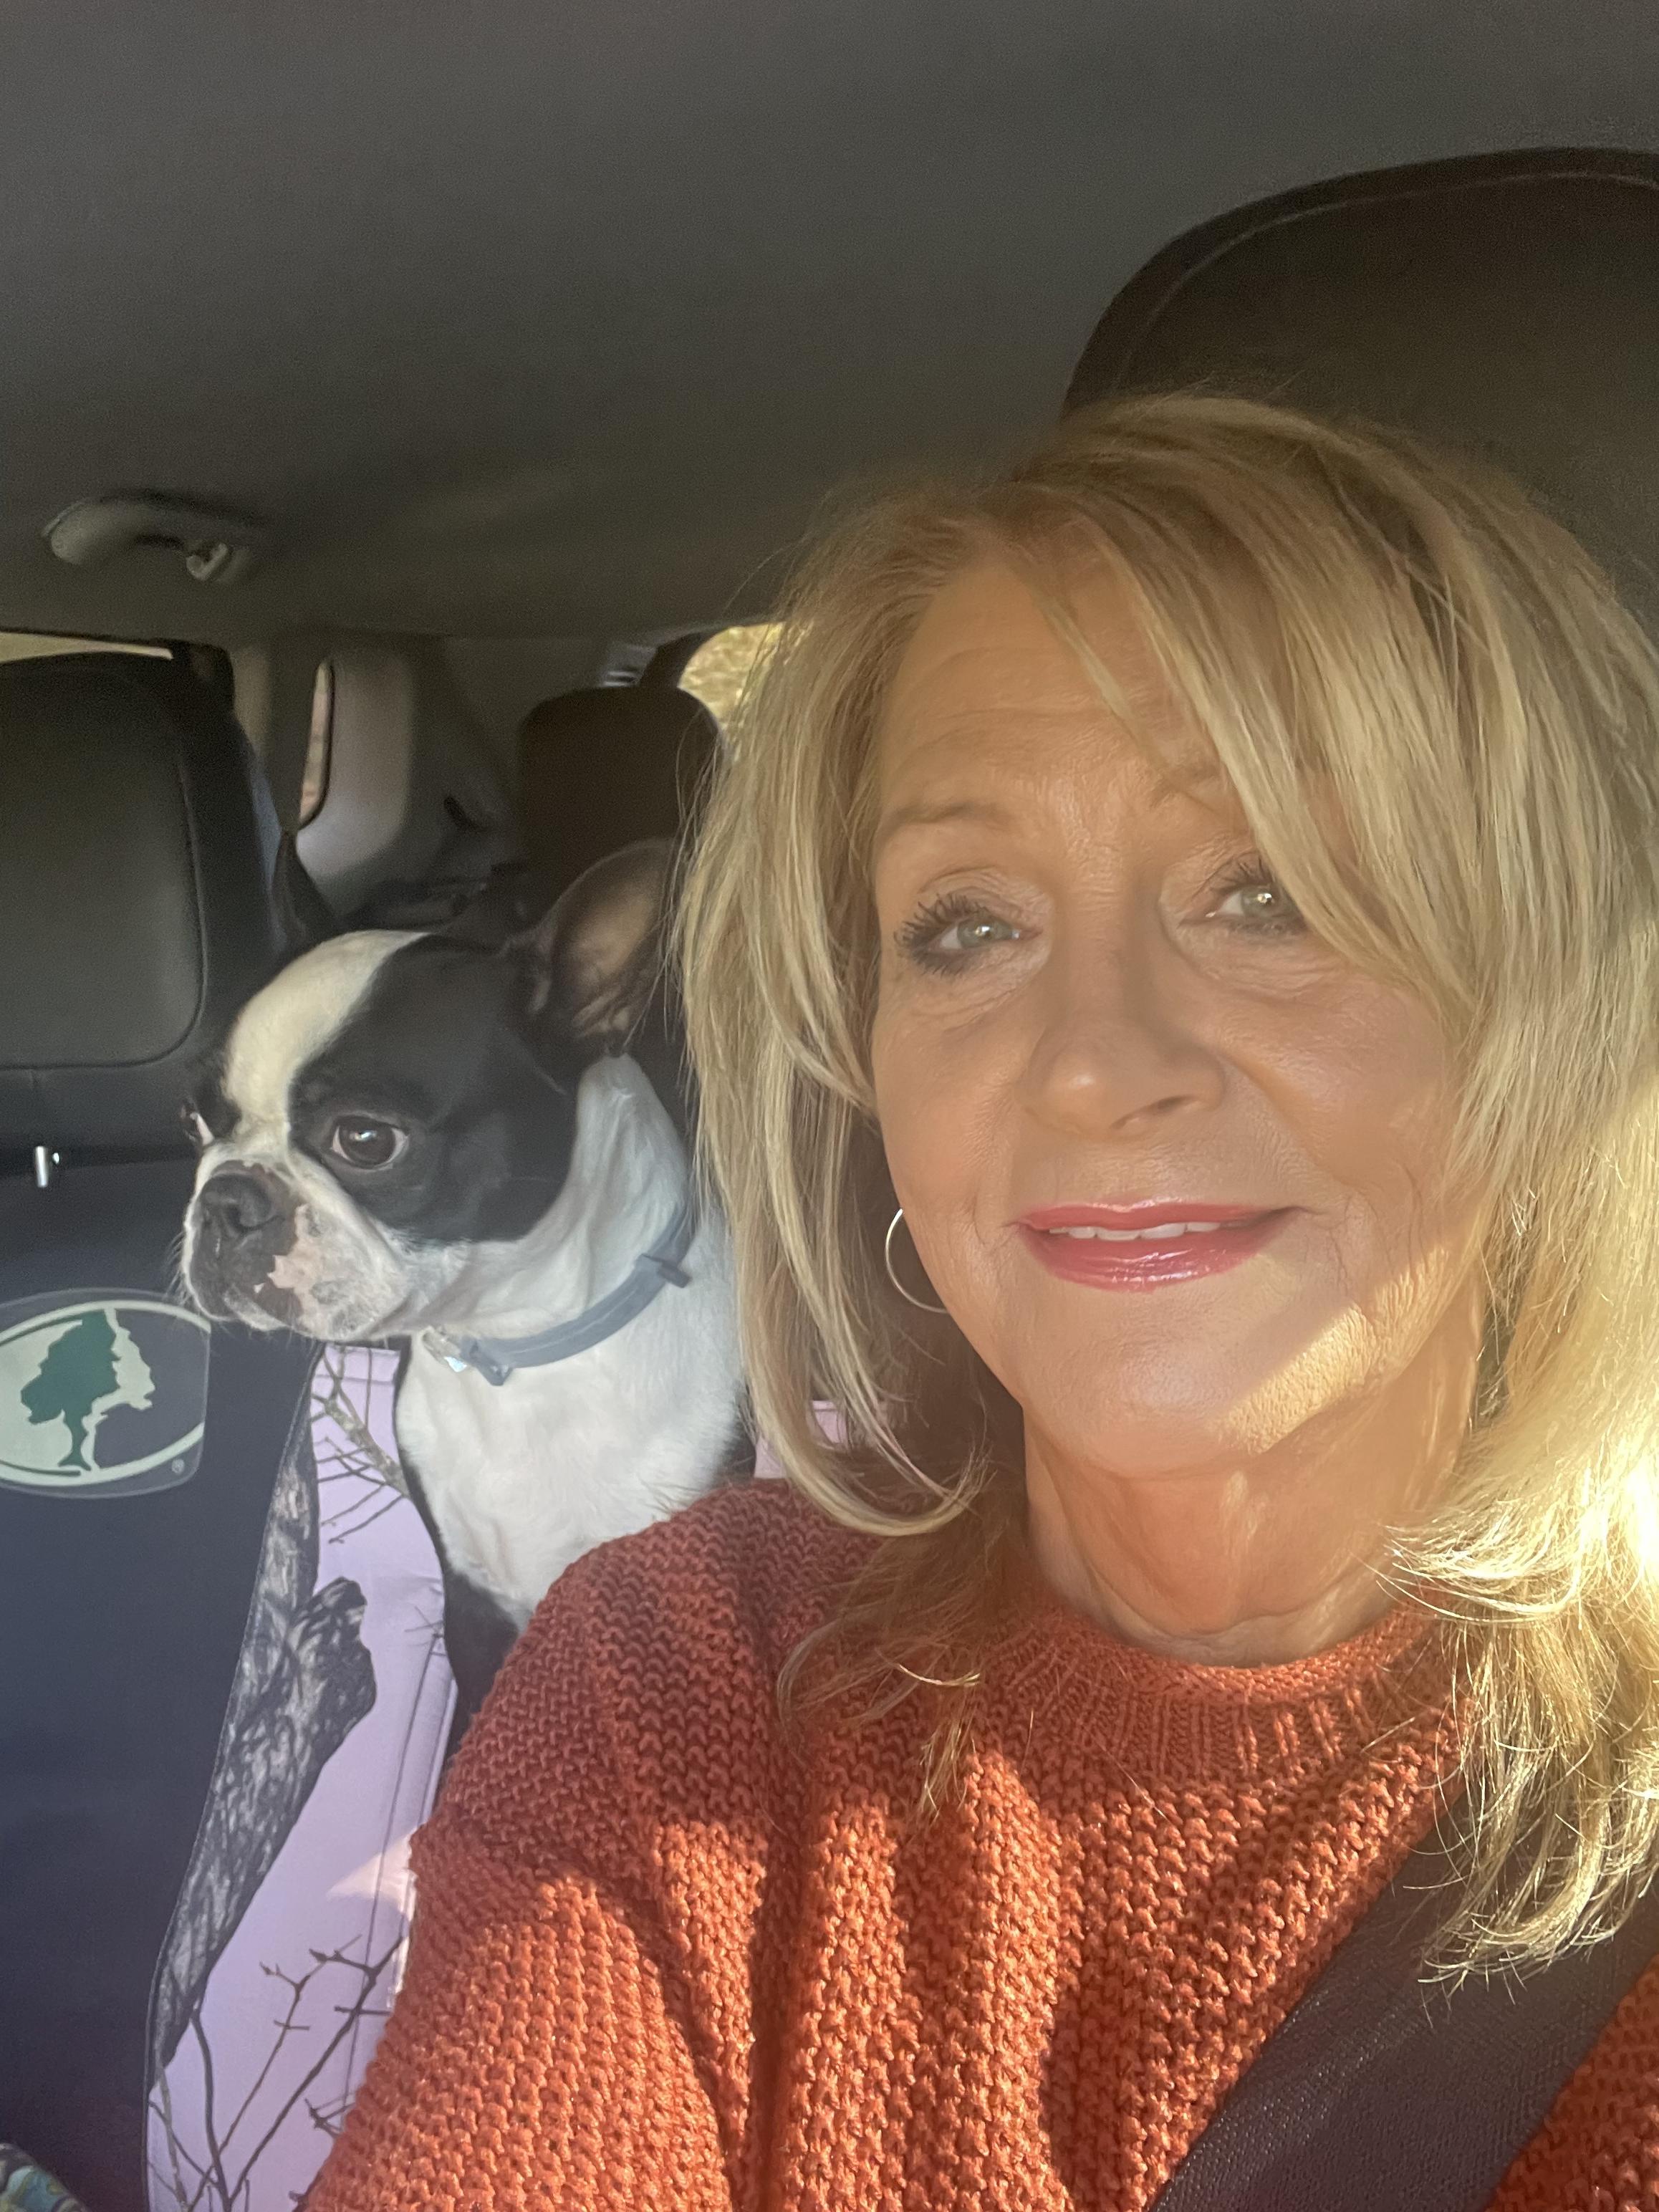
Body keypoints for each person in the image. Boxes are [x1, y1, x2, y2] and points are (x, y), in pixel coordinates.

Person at [309, 394, 1659, 2208]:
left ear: (1558, 995)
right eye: (967, 924)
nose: (1093, 1060)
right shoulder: (682, 1676)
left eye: (1272, 890)